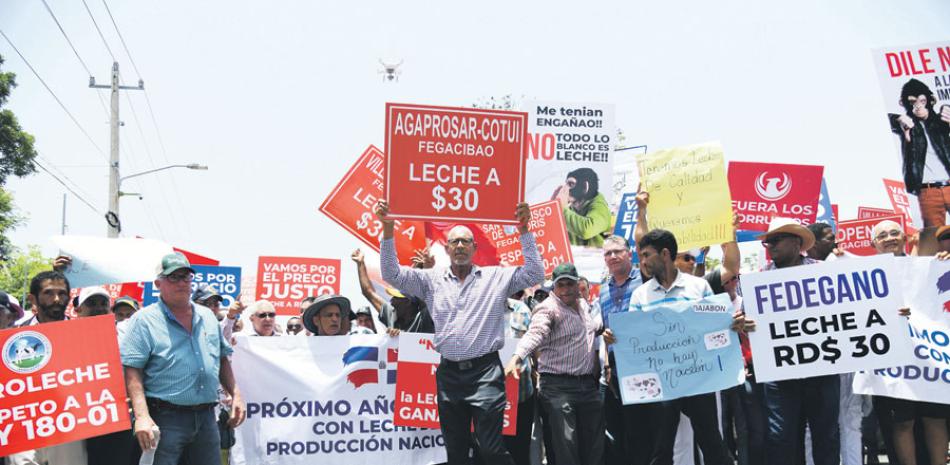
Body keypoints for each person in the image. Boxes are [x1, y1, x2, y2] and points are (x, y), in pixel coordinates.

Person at [376, 199, 544, 465]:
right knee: (455, 453)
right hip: (449, 375)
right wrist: (387, 230)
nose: (460, 246)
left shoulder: (495, 277)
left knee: (490, 449)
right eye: (455, 242)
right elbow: (392, 274)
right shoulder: (431, 280)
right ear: (447, 248)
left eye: (466, 241)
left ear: (475, 249)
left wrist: (524, 229)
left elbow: (535, 271)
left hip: (486, 373)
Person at [608, 228, 737, 465]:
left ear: (665, 254)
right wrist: (617, 338)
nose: (643, 262)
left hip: (699, 379)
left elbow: (714, 327)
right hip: (662, 383)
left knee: (712, 442)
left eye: (647, 255)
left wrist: (732, 324)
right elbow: (637, 338)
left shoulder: (698, 287)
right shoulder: (641, 295)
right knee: (661, 446)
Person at [120, 252, 245, 465]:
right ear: (158, 283)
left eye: (186, 277)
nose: (181, 283)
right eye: (173, 277)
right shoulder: (144, 320)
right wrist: (141, 416)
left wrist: (236, 394)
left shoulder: (207, 316)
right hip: (165, 417)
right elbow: (132, 369)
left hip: (206, 416)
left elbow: (222, 358)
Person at [755, 218, 840, 465]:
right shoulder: (758, 279)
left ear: (795, 242)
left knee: (826, 437)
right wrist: (744, 322)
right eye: (768, 242)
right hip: (781, 375)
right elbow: (749, 317)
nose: (770, 246)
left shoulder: (822, 271)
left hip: (822, 371)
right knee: (781, 439)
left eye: (776, 240)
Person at [505, 263, 605, 465]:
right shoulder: (548, 309)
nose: (566, 289)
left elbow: (595, 327)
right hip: (559, 388)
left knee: (595, 448)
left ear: (578, 285)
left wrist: (607, 331)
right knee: (566, 449)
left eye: (570, 284)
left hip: (587, 386)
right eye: (561, 285)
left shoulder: (584, 306)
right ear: (554, 287)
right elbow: (535, 334)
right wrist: (517, 357)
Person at [868, 220, 948, 465]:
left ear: (904, 237)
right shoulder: (864, 274)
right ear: (874, 244)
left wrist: (945, 263)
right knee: (902, 421)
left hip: (929, 355)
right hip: (893, 359)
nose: (889, 237)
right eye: (883, 235)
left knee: (934, 418)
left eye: (894, 233)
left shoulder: (929, 266)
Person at [7, 271, 89, 465]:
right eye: (49, 293)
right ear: (32, 299)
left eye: (62, 293)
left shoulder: (85, 336)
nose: (57, 299)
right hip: (23, 424)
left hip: (69, 424)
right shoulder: (13, 337)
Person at [597, 234, 649, 465]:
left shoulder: (645, 279)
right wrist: (607, 364)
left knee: (644, 426)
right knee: (621, 427)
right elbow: (607, 332)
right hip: (617, 368)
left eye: (617, 251)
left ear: (630, 253)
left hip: (645, 362)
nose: (613, 256)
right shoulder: (603, 290)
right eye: (608, 253)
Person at [889, 78, 950, 227]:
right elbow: (884, 118)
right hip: (927, 190)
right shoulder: (907, 125)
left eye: (922, 101)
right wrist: (898, 119)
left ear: (931, 101)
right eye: (912, 102)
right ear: (903, 104)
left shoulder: (941, 121)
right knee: (936, 239)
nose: (918, 106)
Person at [352, 248, 435, 334]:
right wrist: (360, 263)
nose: (392, 301)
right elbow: (368, 292)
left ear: (409, 302)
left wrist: (426, 270)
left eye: (397, 297)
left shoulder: (425, 318)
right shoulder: (392, 316)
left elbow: (427, 294)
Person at [554, 167, 611, 247]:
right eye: (566, 184)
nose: (564, 188)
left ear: (585, 187)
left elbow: (587, 230)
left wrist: (561, 210)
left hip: (596, 257)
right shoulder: (571, 210)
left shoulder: (600, 206)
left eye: (570, 184)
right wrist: (552, 208)